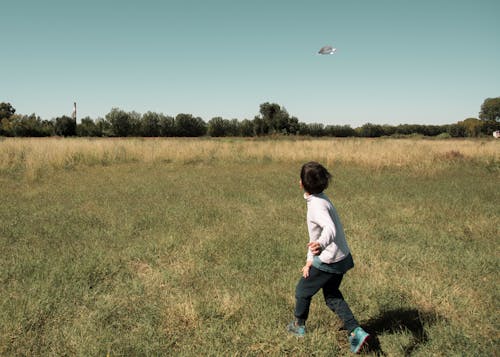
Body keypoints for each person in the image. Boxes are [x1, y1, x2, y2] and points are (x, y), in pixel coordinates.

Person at [287, 161, 370, 354]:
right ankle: (356, 331)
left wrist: (321, 245)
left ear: (300, 183)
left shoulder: (316, 206)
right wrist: (310, 260)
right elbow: (314, 236)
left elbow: (328, 230)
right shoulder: (322, 199)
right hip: (341, 258)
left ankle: (298, 326)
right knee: (332, 295)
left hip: (329, 260)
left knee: (302, 291)